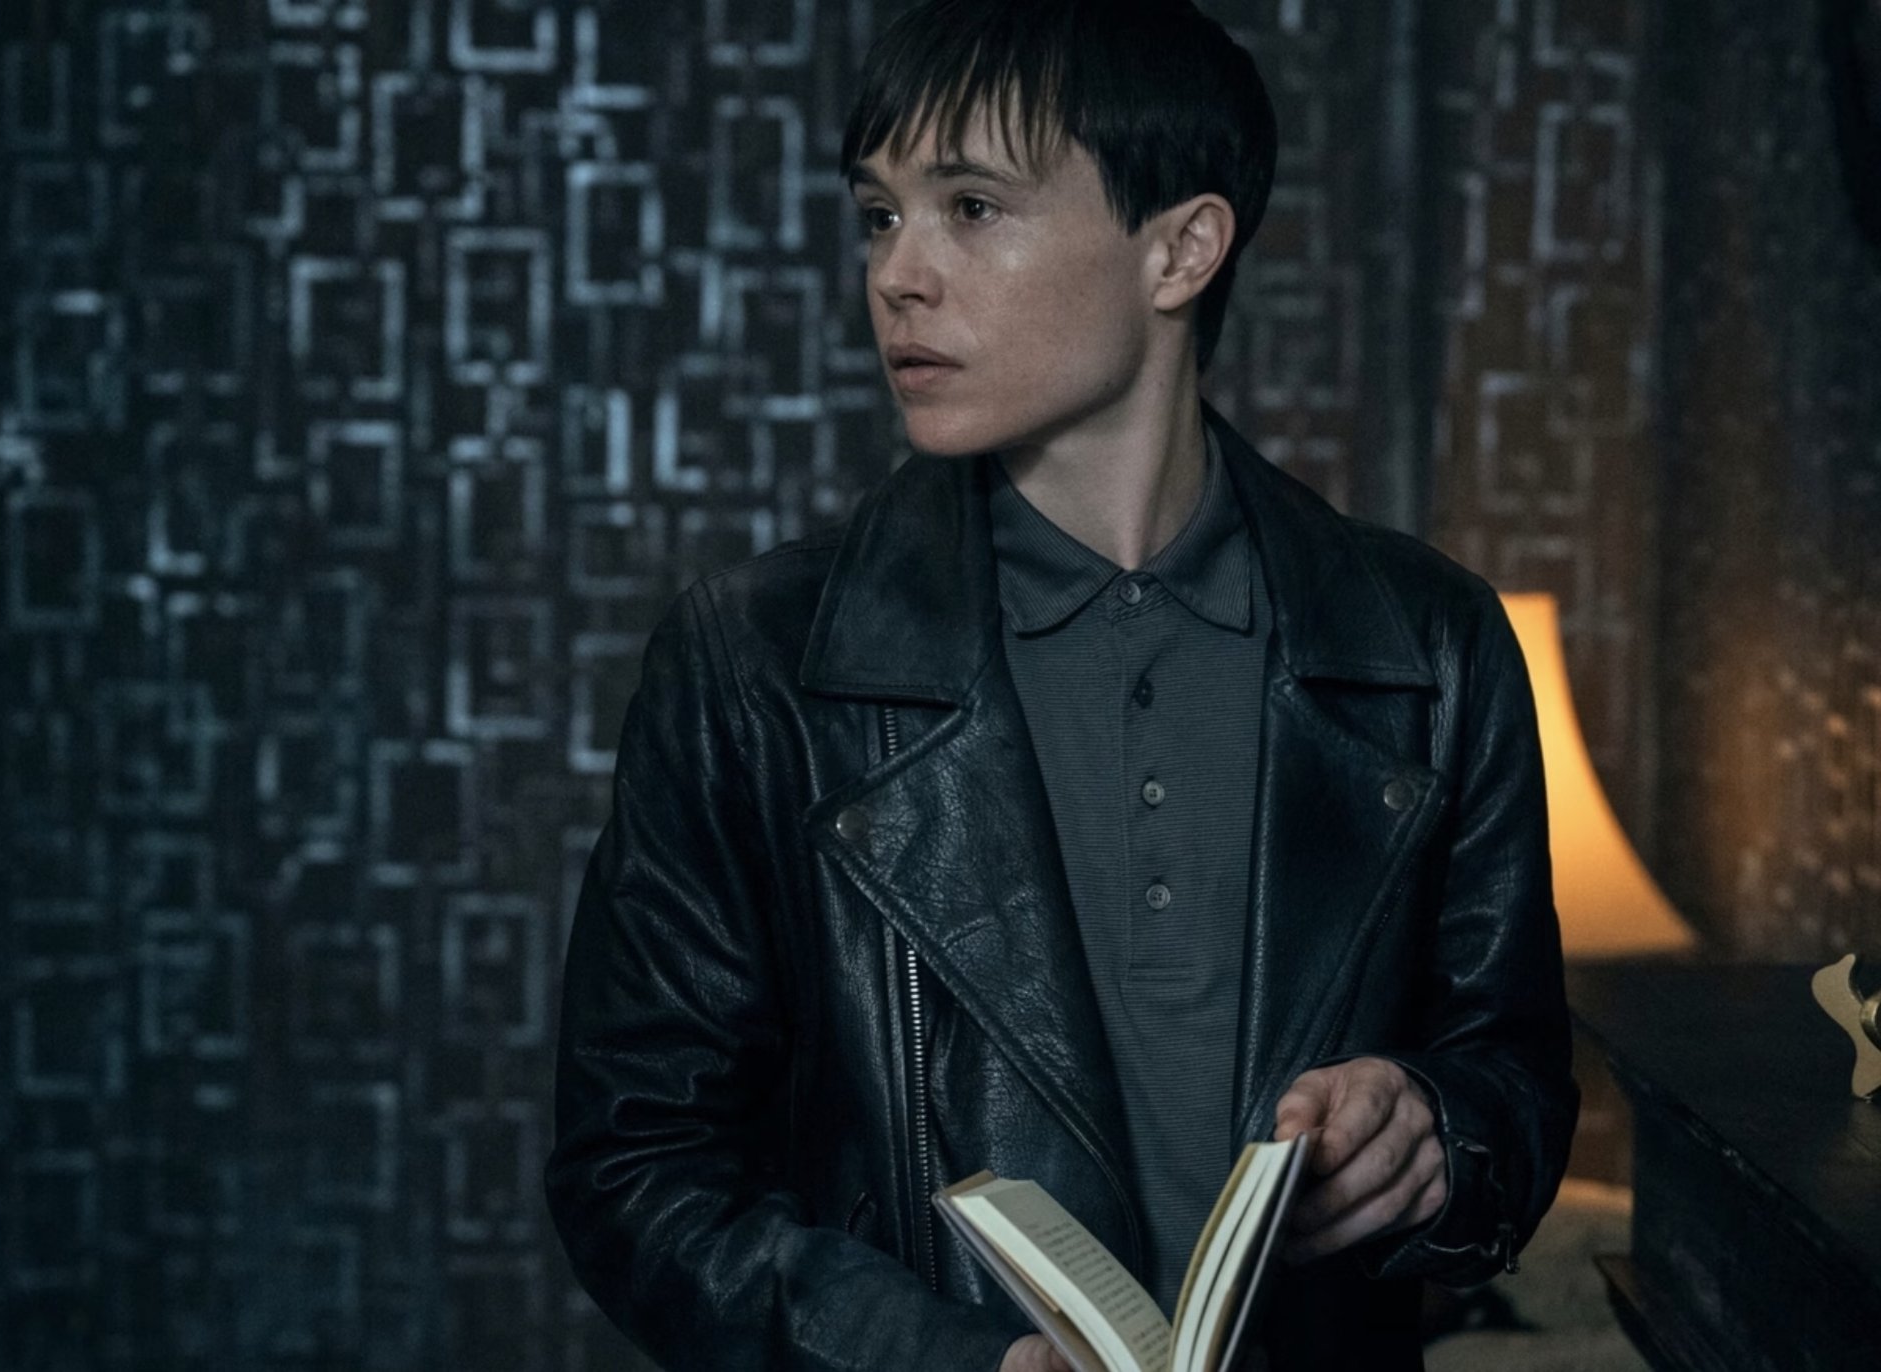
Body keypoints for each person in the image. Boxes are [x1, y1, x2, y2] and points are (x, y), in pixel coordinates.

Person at [543, 2, 1578, 1368]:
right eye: (879, 215)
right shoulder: (753, 664)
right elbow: (635, 1169)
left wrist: (1437, 1136)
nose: (899, 275)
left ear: (1182, 249)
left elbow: (1516, 1075)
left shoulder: (1427, 646)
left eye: (972, 207)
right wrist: (939, 1360)